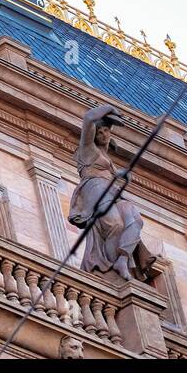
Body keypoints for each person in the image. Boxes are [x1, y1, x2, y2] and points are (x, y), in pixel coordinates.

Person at [67, 103, 156, 281]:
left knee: (135, 220)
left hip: (112, 192)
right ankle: (110, 270)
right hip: (95, 190)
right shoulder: (87, 150)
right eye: (99, 132)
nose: (103, 135)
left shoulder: (106, 156)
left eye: (106, 131)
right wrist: (110, 108)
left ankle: (122, 259)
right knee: (115, 225)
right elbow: (89, 118)